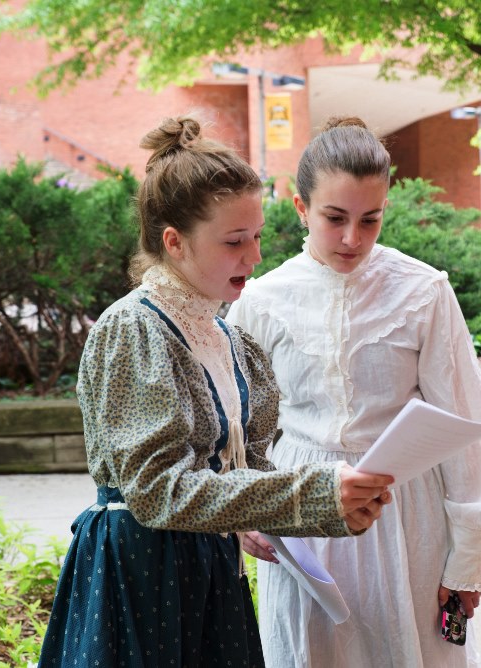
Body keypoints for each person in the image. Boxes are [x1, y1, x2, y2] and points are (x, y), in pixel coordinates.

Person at [37, 114, 393, 668]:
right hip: (143, 572)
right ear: (174, 242)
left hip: (208, 566)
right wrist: (314, 494)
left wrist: (337, 501)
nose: (253, 257)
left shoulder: (228, 338)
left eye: (256, 238)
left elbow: (241, 472)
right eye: (233, 242)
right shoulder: (135, 331)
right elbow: (158, 492)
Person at [226, 117, 481, 667]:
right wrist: (248, 513)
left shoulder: (423, 291)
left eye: (371, 219)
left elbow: (467, 427)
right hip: (300, 516)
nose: (352, 238)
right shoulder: (261, 301)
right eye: (334, 218)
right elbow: (237, 427)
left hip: (404, 516)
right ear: (301, 207)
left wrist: (467, 559)